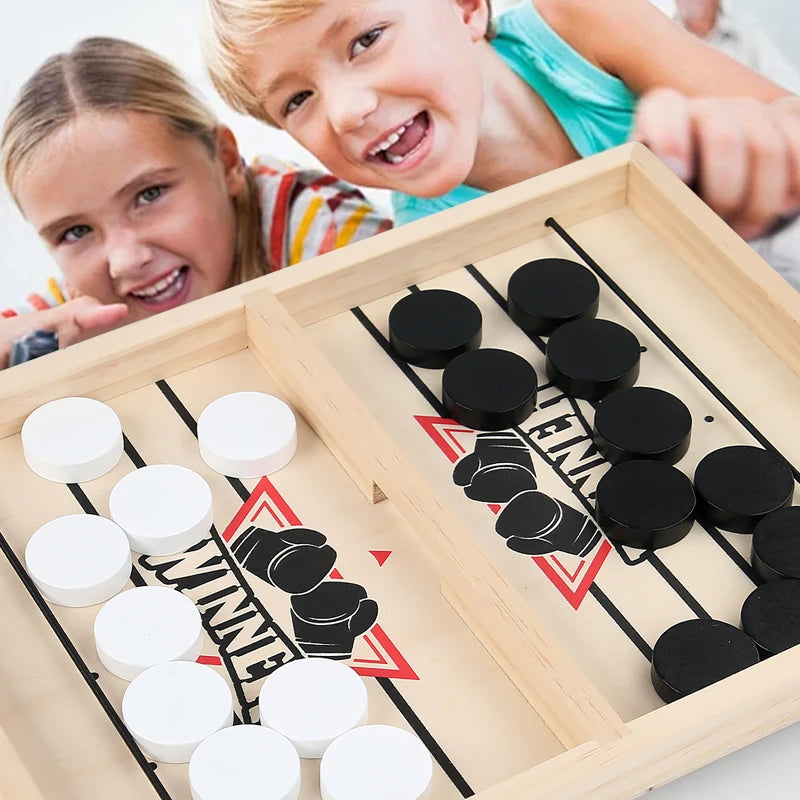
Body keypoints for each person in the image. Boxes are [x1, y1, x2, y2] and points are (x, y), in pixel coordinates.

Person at [202, 0, 800, 271]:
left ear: (466, 9)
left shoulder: (581, 19)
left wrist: (749, 153)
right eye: (298, 100)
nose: (346, 112)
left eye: (366, 40)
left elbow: (785, 122)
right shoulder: (431, 240)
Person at [0, 36, 392, 368]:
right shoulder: (77, 310)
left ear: (225, 161)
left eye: (148, 194)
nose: (125, 260)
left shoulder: (318, 225)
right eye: (76, 231)